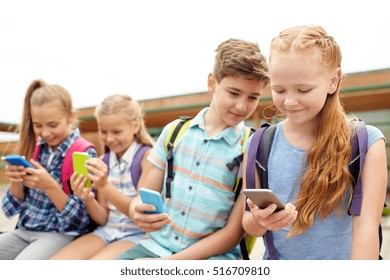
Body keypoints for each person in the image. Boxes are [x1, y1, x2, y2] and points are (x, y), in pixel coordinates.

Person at [242, 25, 387, 260]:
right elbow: (248, 224)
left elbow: (366, 229)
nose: (289, 101)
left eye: (303, 89)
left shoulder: (367, 143)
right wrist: (260, 220)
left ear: (333, 80)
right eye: (278, 89)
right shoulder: (259, 144)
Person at [117, 38, 270, 260]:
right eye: (234, 93)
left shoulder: (251, 148)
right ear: (212, 83)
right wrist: (137, 212)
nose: (241, 106)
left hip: (214, 257)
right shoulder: (173, 132)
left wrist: (170, 265)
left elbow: (233, 234)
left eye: (253, 97)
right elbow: (142, 196)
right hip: (155, 246)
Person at [0, 79, 98, 259]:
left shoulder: (83, 154)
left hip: (59, 234)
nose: (45, 133)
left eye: (53, 125)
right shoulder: (36, 148)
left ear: (71, 117)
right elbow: (10, 209)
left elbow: (81, 221)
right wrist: (15, 182)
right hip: (24, 230)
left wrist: (50, 186)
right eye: (38, 126)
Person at [50, 94, 154, 259]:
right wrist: (88, 198)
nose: (109, 138)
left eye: (116, 131)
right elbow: (103, 218)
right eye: (103, 131)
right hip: (107, 230)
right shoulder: (102, 161)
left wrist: (104, 185)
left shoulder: (147, 158)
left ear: (135, 126)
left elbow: (139, 213)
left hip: (136, 234)